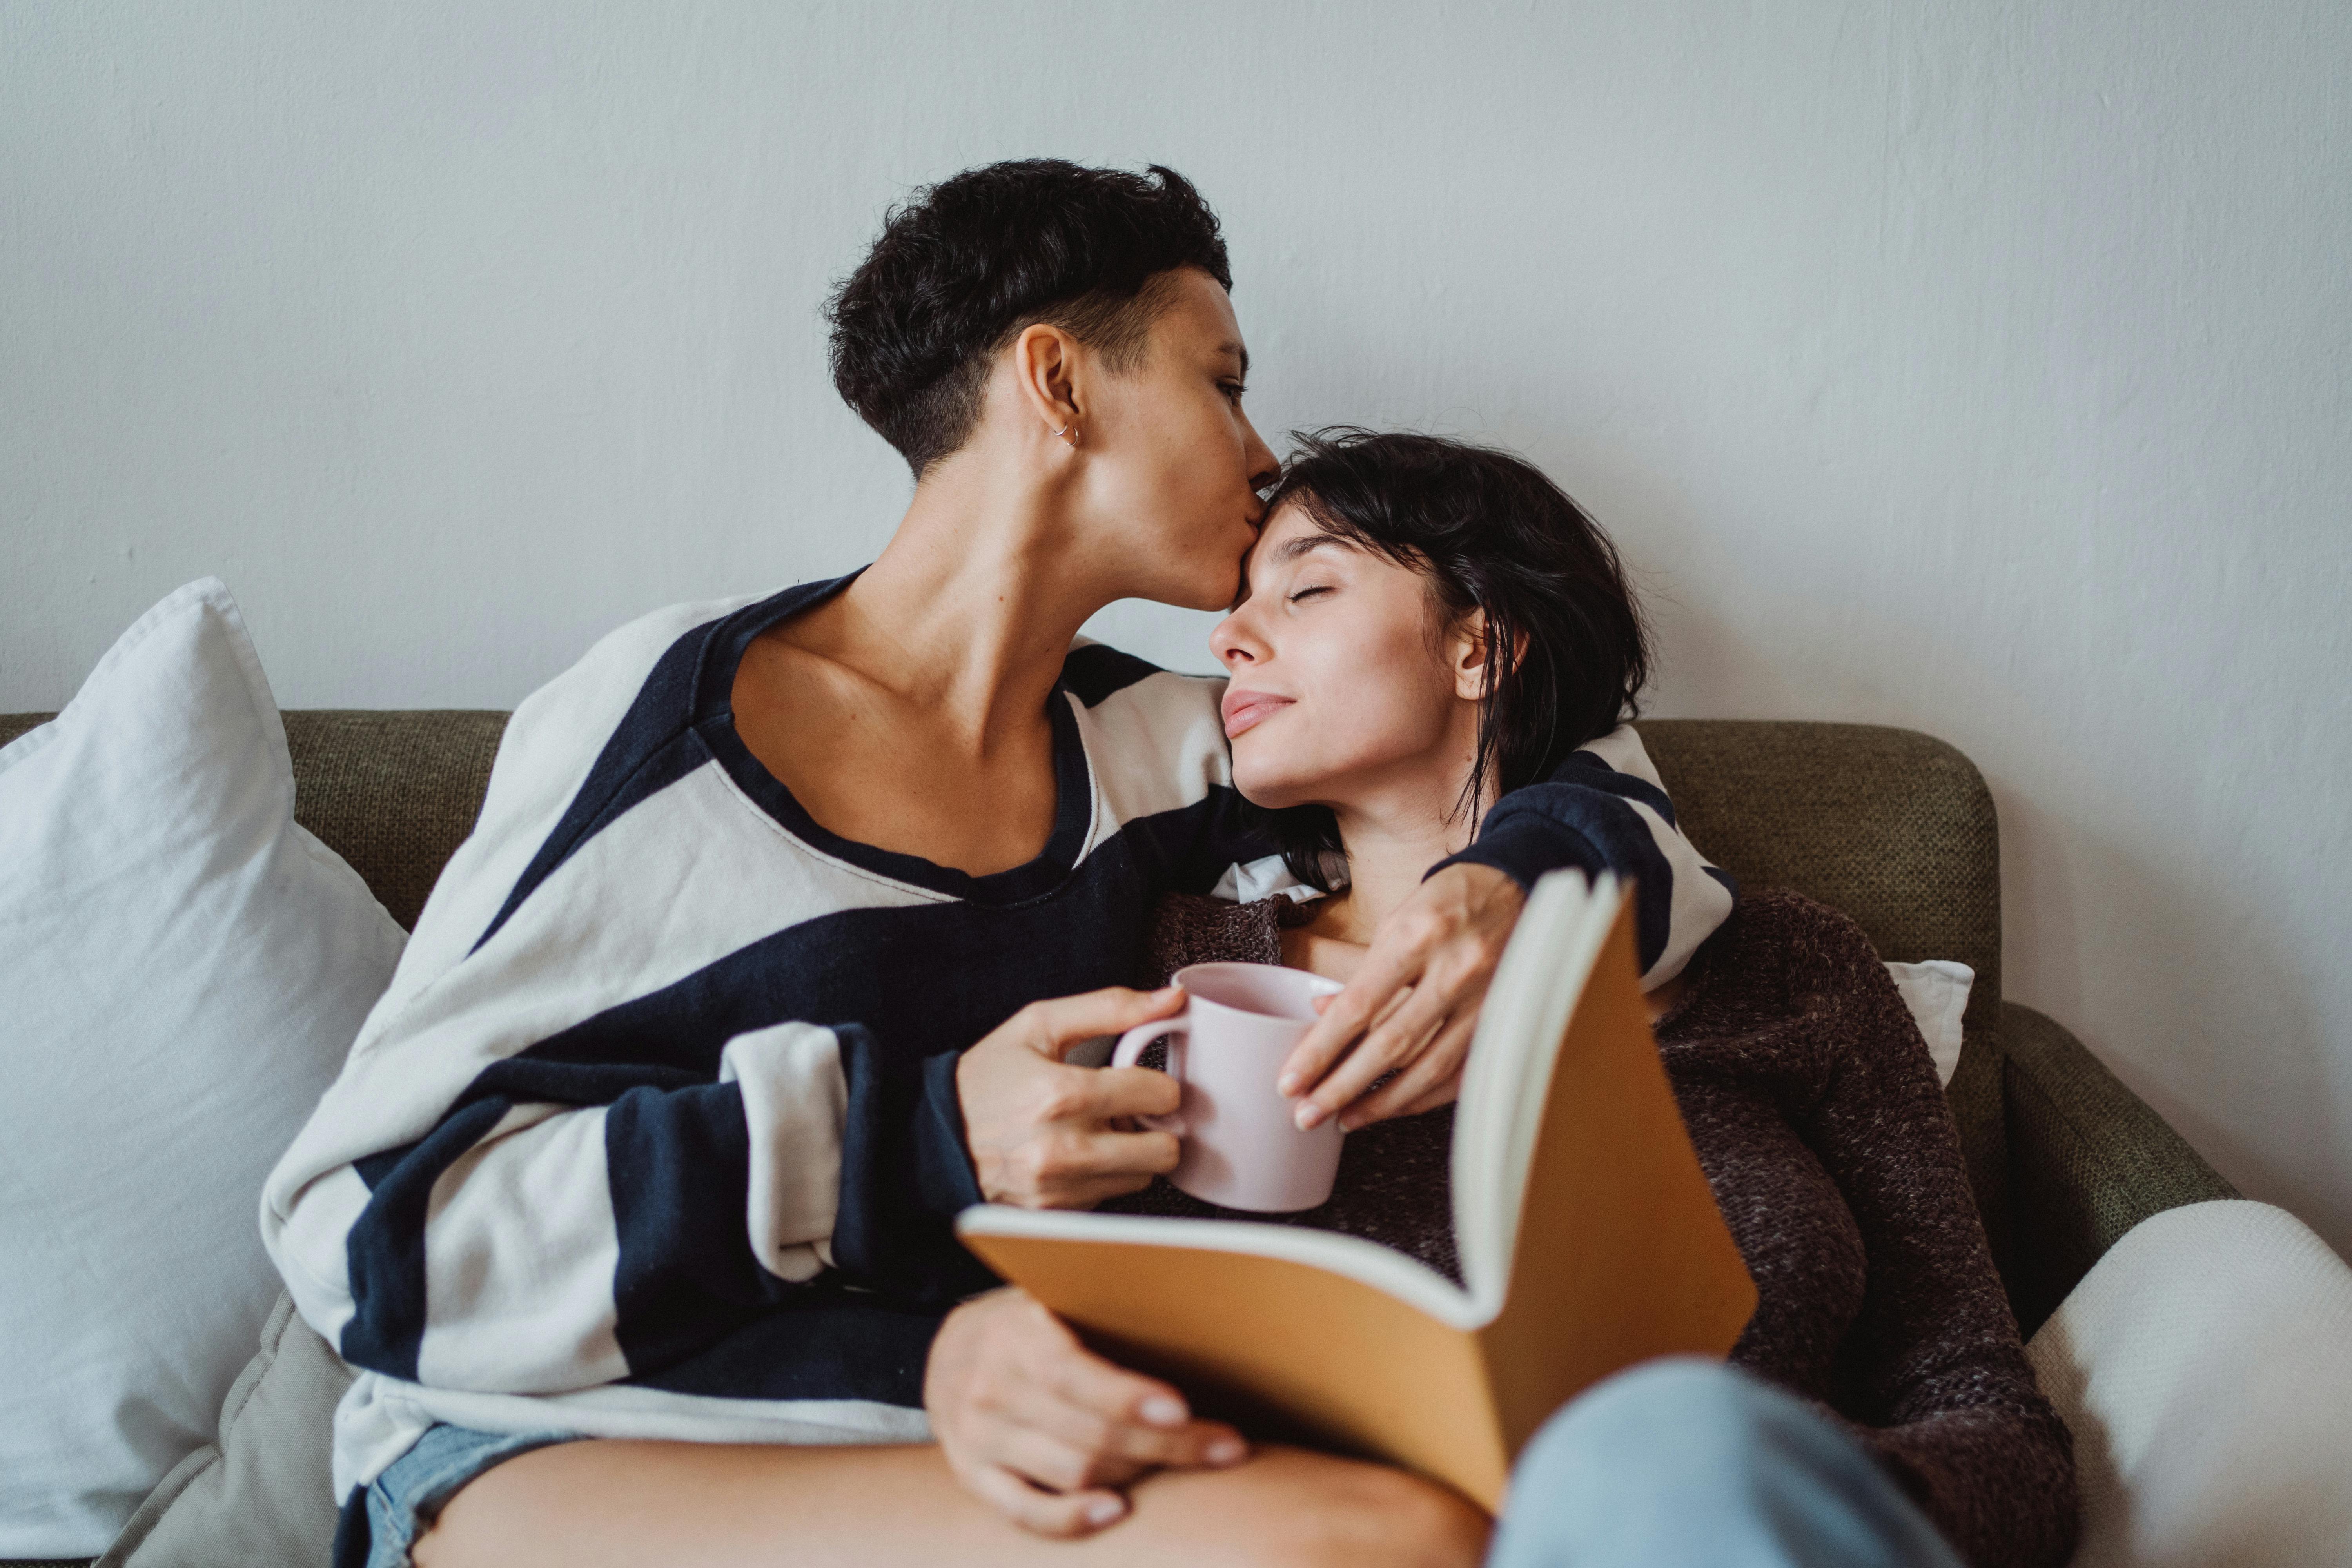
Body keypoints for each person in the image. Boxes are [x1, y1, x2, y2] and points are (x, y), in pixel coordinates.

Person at [261, 164, 1731, 1568]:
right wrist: (923, 1137)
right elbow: (362, 1239)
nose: (1266, 451)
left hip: (946, 1437)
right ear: (1059, 383)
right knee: (1386, 1545)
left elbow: (1568, 741)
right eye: (1222, 381)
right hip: (547, 1445)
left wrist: (1517, 891)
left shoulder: (1166, 759)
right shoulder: (674, 723)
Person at [1110, 429, 2077, 1567]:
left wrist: (1765, 1489)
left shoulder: (1787, 969)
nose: (1226, 637)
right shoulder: (1174, 975)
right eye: (1236, 607)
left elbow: (1988, 1408)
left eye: (1309, 587)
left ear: (1481, 646)